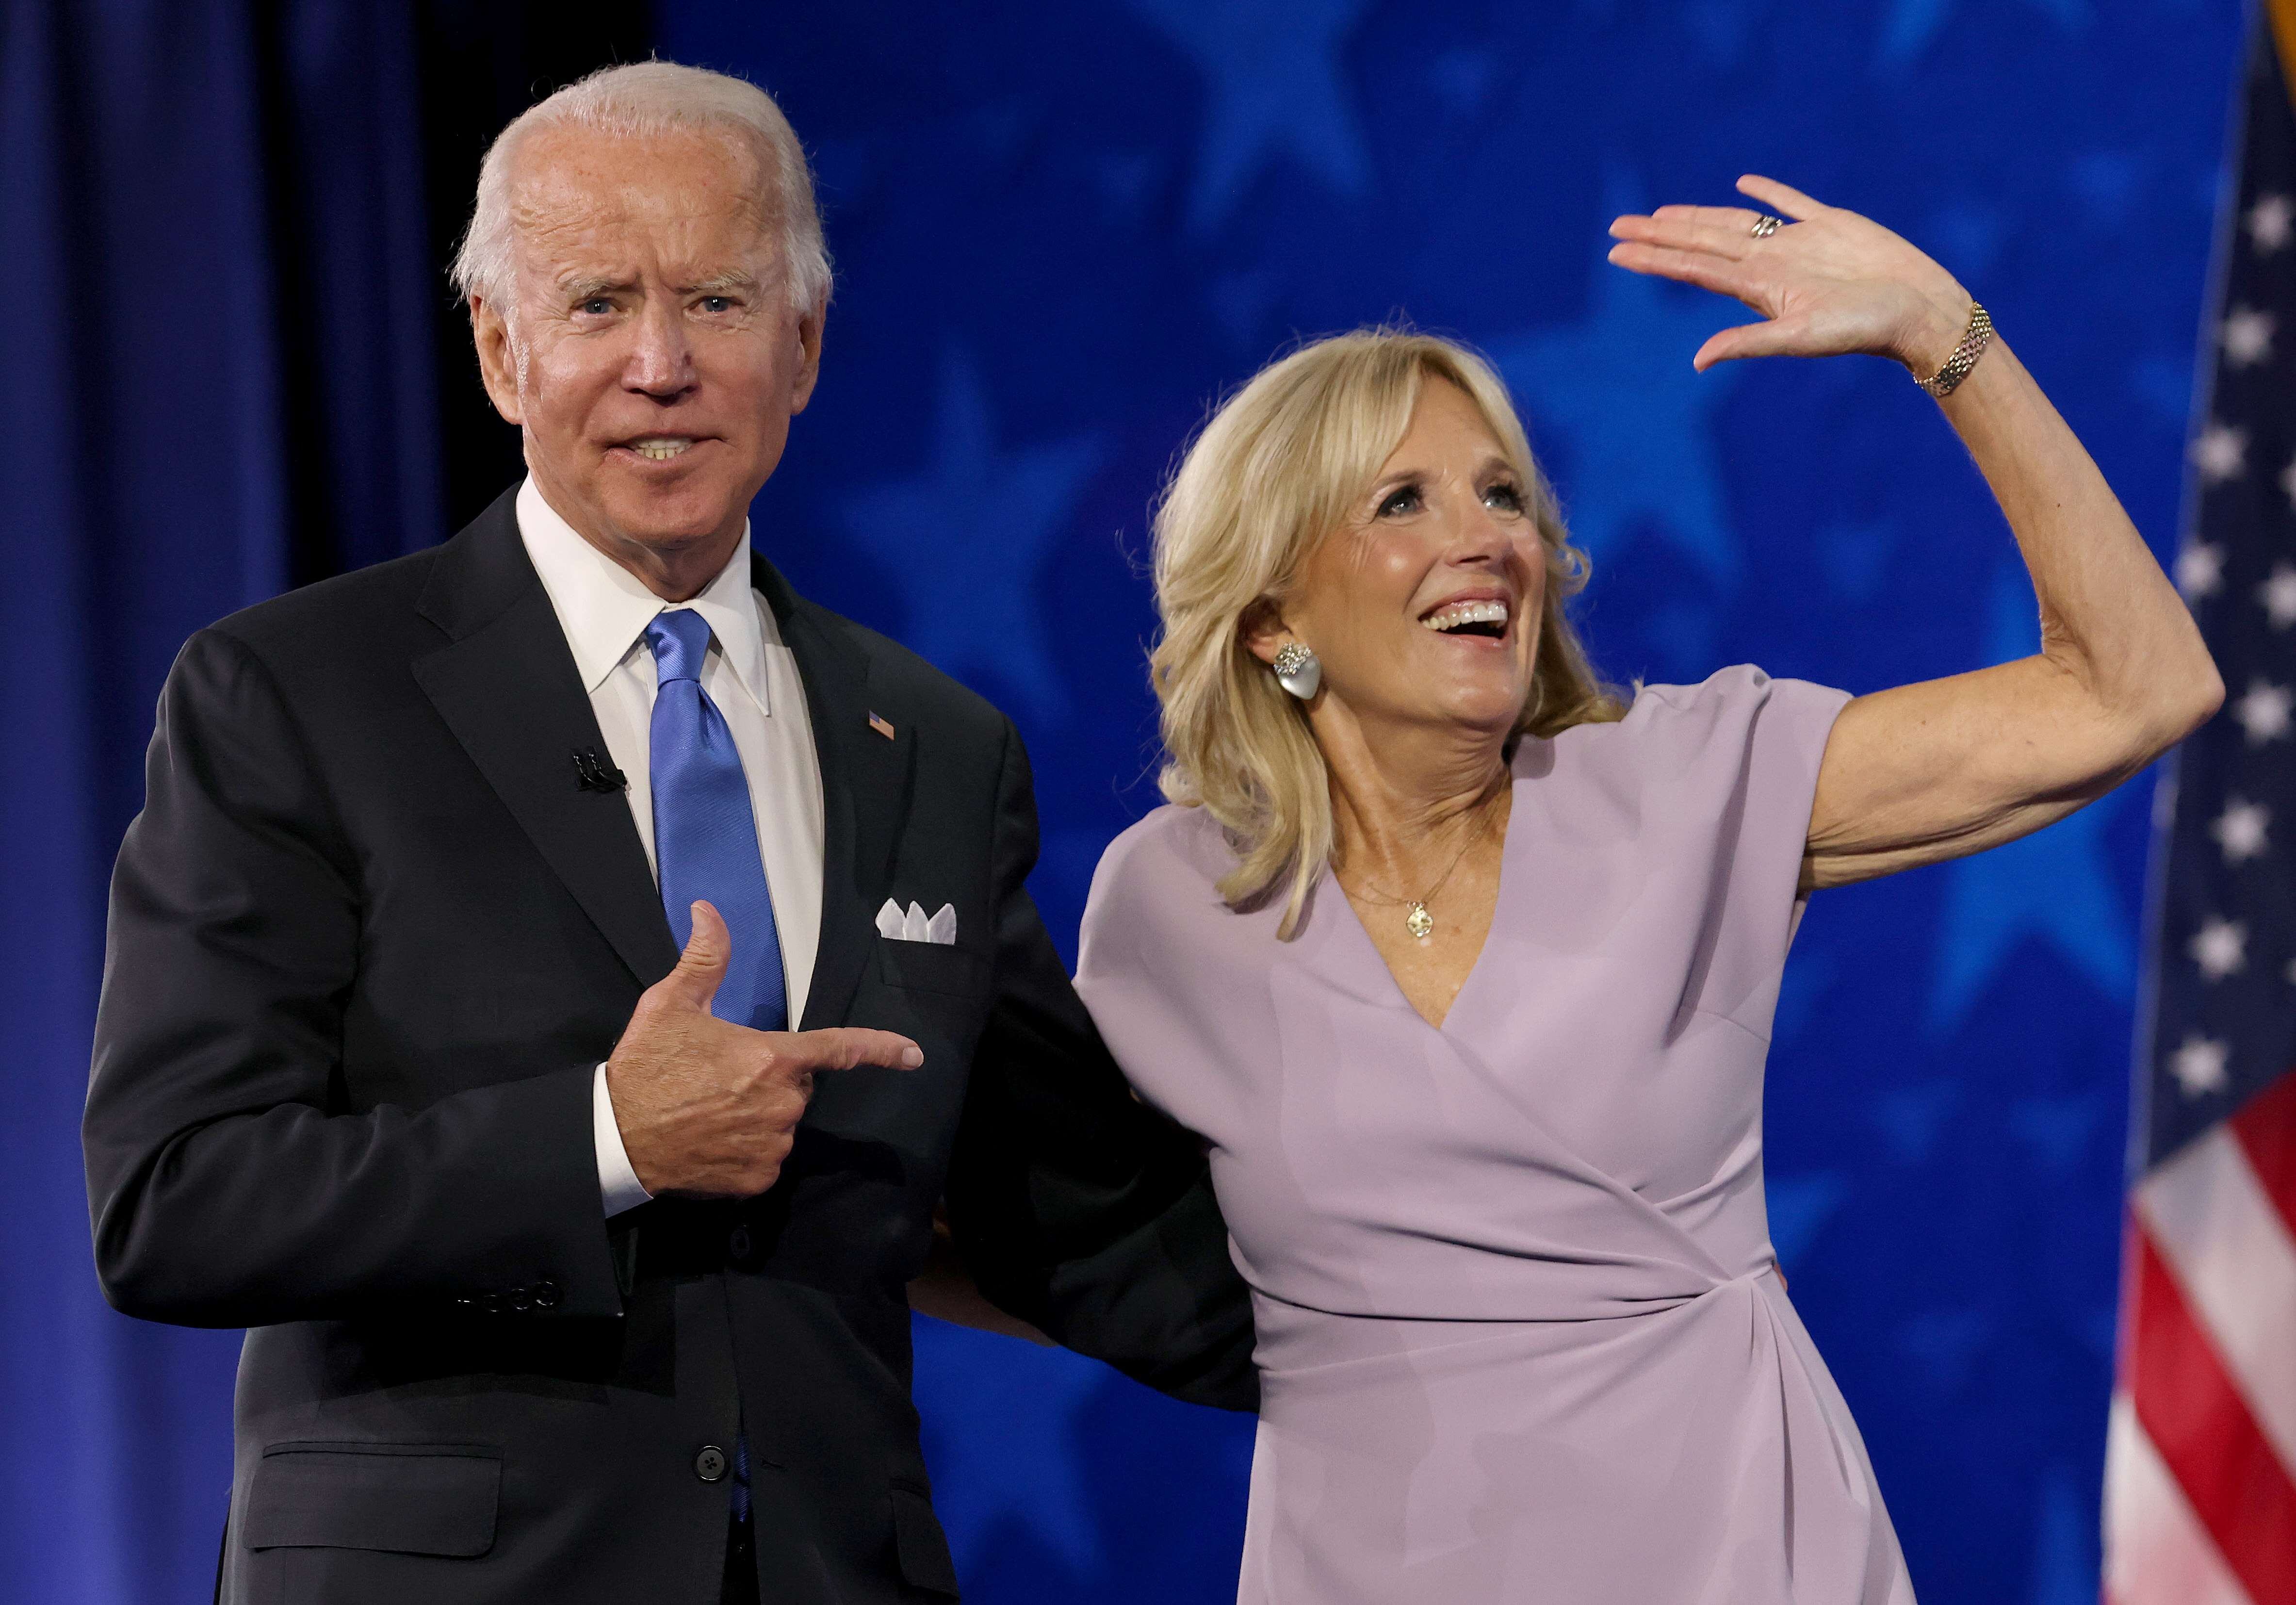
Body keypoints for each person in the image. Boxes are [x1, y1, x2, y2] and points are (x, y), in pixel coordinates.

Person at [83, 62, 1252, 1605]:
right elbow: (176, 1196)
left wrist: (1498, 1324)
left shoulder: (937, 749)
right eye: (597, 305)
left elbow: (1088, 1222)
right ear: (500, 349)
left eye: (716, 300)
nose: (661, 365)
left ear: (804, 343)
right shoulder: (296, 694)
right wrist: (605, 1138)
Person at [1075, 176, 2222, 1603]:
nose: (1487, 536)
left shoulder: (1688, 786)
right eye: (1404, 500)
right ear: (1271, 617)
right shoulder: (1173, 905)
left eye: (1504, 493)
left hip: (1733, 1553)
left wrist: (1944, 333)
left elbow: (2137, 687)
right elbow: (1031, 1232)